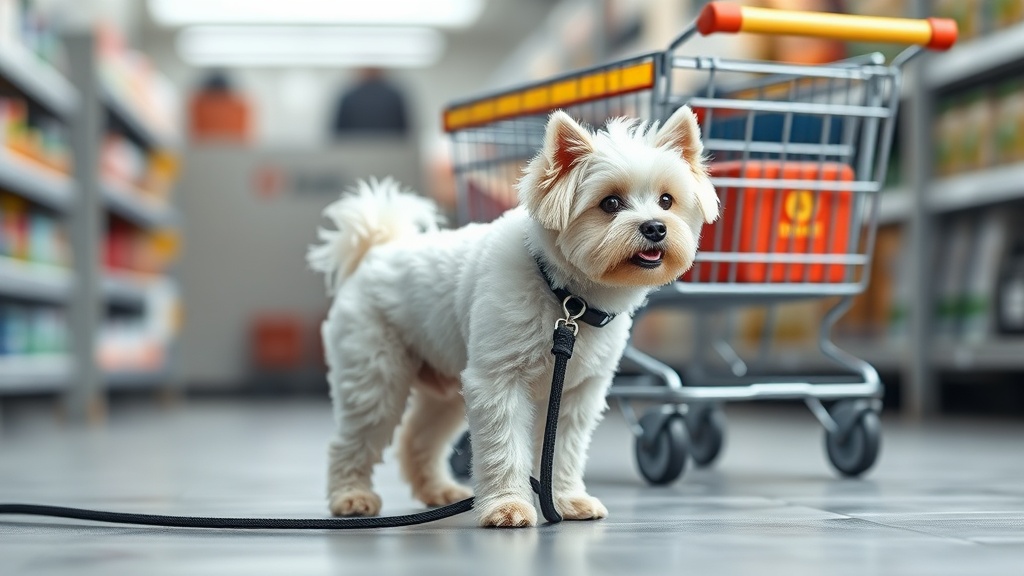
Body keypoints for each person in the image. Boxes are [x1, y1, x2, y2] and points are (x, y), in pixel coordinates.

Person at [330, 68, 409, 136]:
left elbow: (402, 131)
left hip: (388, 147)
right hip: (355, 147)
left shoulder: (394, 97)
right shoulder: (348, 97)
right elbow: (340, 133)